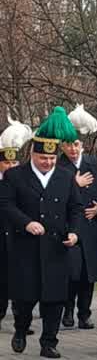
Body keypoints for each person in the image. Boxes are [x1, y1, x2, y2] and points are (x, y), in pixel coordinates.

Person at [0, 108, 82, 357]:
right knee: (25, 298)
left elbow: (76, 208)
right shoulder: (15, 176)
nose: (48, 163)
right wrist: (26, 222)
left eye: (52, 159)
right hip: (26, 247)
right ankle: (21, 329)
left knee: (55, 298)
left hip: (56, 247)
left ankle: (49, 342)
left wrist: (75, 233)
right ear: (33, 155)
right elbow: (5, 204)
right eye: (43, 158)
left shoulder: (66, 177)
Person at [58, 104, 97, 331]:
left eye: (76, 144)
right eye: (68, 144)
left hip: (91, 225)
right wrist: (74, 184)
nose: (73, 149)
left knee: (89, 274)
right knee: (72, 272)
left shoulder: (95, 164)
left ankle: (84, 313)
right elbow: (54, 196)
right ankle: (67, 310)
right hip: (71, 226)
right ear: (62, 145)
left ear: (83, 145)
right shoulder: (59, 167)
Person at [0, 118, 32, 333]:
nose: (11, 166)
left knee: (20, 280)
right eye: (6, 163)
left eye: (14, 163)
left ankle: (21, 320)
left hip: (18, 237)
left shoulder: (22, 182)